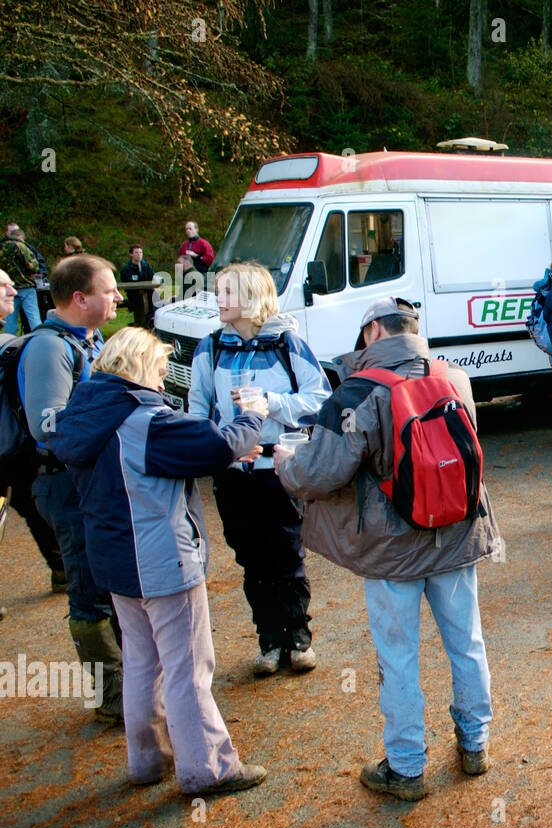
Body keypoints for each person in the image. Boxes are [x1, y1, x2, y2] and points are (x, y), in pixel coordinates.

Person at [275, 297, 499, 797]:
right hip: (456, 534)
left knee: (398, 657)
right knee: (467, 642)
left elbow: (319, 473)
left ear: (372, 331)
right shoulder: (454, 377)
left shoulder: (357, 393)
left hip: (391, 550)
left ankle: (405, 766)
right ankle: (475, 743)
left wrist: (285, 461)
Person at [47, 327, 269, 794]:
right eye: (161, 371)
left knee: (143, 664)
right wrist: (252, 416)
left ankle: (147, 759)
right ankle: (207, 768)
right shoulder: (143, 419)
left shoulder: (86, 414)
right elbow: (212, 444)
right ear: (140, 367)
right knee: (189, 668)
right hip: (162, 560)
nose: (164, 383)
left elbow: (152, 464)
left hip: (116, 562)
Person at [188, 261, 329, 675]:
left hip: (278, 469)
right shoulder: (209, 347)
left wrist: (271, 403)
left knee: (287, 554)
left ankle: (299, 637)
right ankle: (269, 639)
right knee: (251, 560)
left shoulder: (288, 344)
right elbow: (197, 410)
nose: (218, 300)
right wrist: (220, 445)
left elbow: (321, 399)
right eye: (218, 291)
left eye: (227, 292)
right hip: (233, 475)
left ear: (251, 297)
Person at [17, 254, 123, 722]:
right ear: (80, 299)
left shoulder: (86, 339)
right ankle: (111, 696)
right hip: (63, 485)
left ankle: (129, 684)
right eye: (109, 290)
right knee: (88, 586)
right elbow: (47, 426)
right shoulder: (48, 348)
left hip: (87, 481)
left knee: (106, 579)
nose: (119, 296)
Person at [0, 269, 65, 591]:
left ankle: (61, 569)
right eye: (4, 286)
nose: (13, 291)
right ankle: (62, 569)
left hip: (13, 450)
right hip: (11, 449)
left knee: (32, 507)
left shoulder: (12, 341)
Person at [1, 225, 42, 334]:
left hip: (8, 287)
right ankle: (39, 338)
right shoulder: (22, 247)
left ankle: (9, 344)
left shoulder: (2, 247)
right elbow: (33, 266)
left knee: (10, 319)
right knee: (33, 317)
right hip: (26, 286)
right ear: (20, 236)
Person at [119, 245, 157, 330]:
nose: (139, 254)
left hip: (149, 294)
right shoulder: (126, 269)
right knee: (140, 305)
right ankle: (141, 325)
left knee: (157, 298)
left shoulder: (146, 265)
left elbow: (153, 277)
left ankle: (152, 323)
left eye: (140, 252)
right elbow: (127, 285)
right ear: (131, 254)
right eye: (136, 252)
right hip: (135, 296)